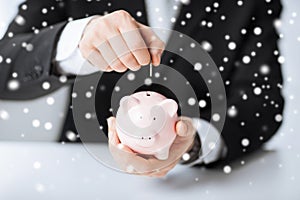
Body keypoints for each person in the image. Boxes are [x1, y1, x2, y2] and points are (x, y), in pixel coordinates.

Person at [0, 0, 284, 177]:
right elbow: (5, 65)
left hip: (200, 184)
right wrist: (76, 41)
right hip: (83, 174)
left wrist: (194, 141)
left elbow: (262, 102)